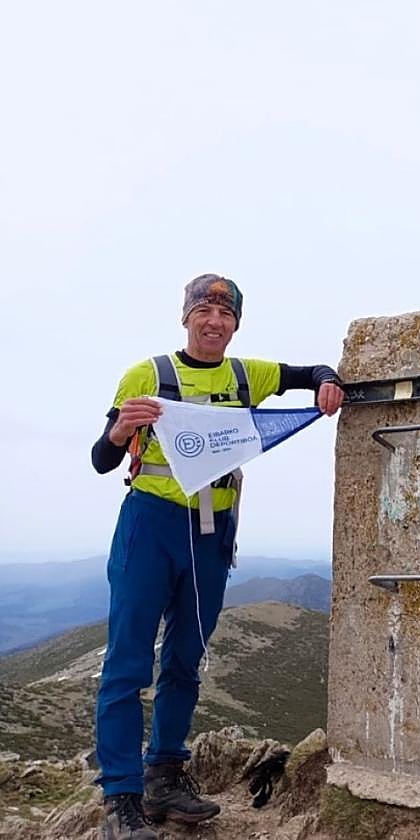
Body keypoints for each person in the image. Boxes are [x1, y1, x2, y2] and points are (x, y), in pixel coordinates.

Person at [90, 274, 344, 840]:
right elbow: (101, 461)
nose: (214, 321)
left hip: (212, 532)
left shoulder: (243, 375)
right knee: (128, 661)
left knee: (187, 657)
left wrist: (327, 381)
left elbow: (308, 374)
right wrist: (119, 432)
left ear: (235, 324)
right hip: (150, 526)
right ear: (186, 317)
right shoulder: (149, 374)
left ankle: (165, 776)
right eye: (203, 310)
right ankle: (121, 799)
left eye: (225, 314)